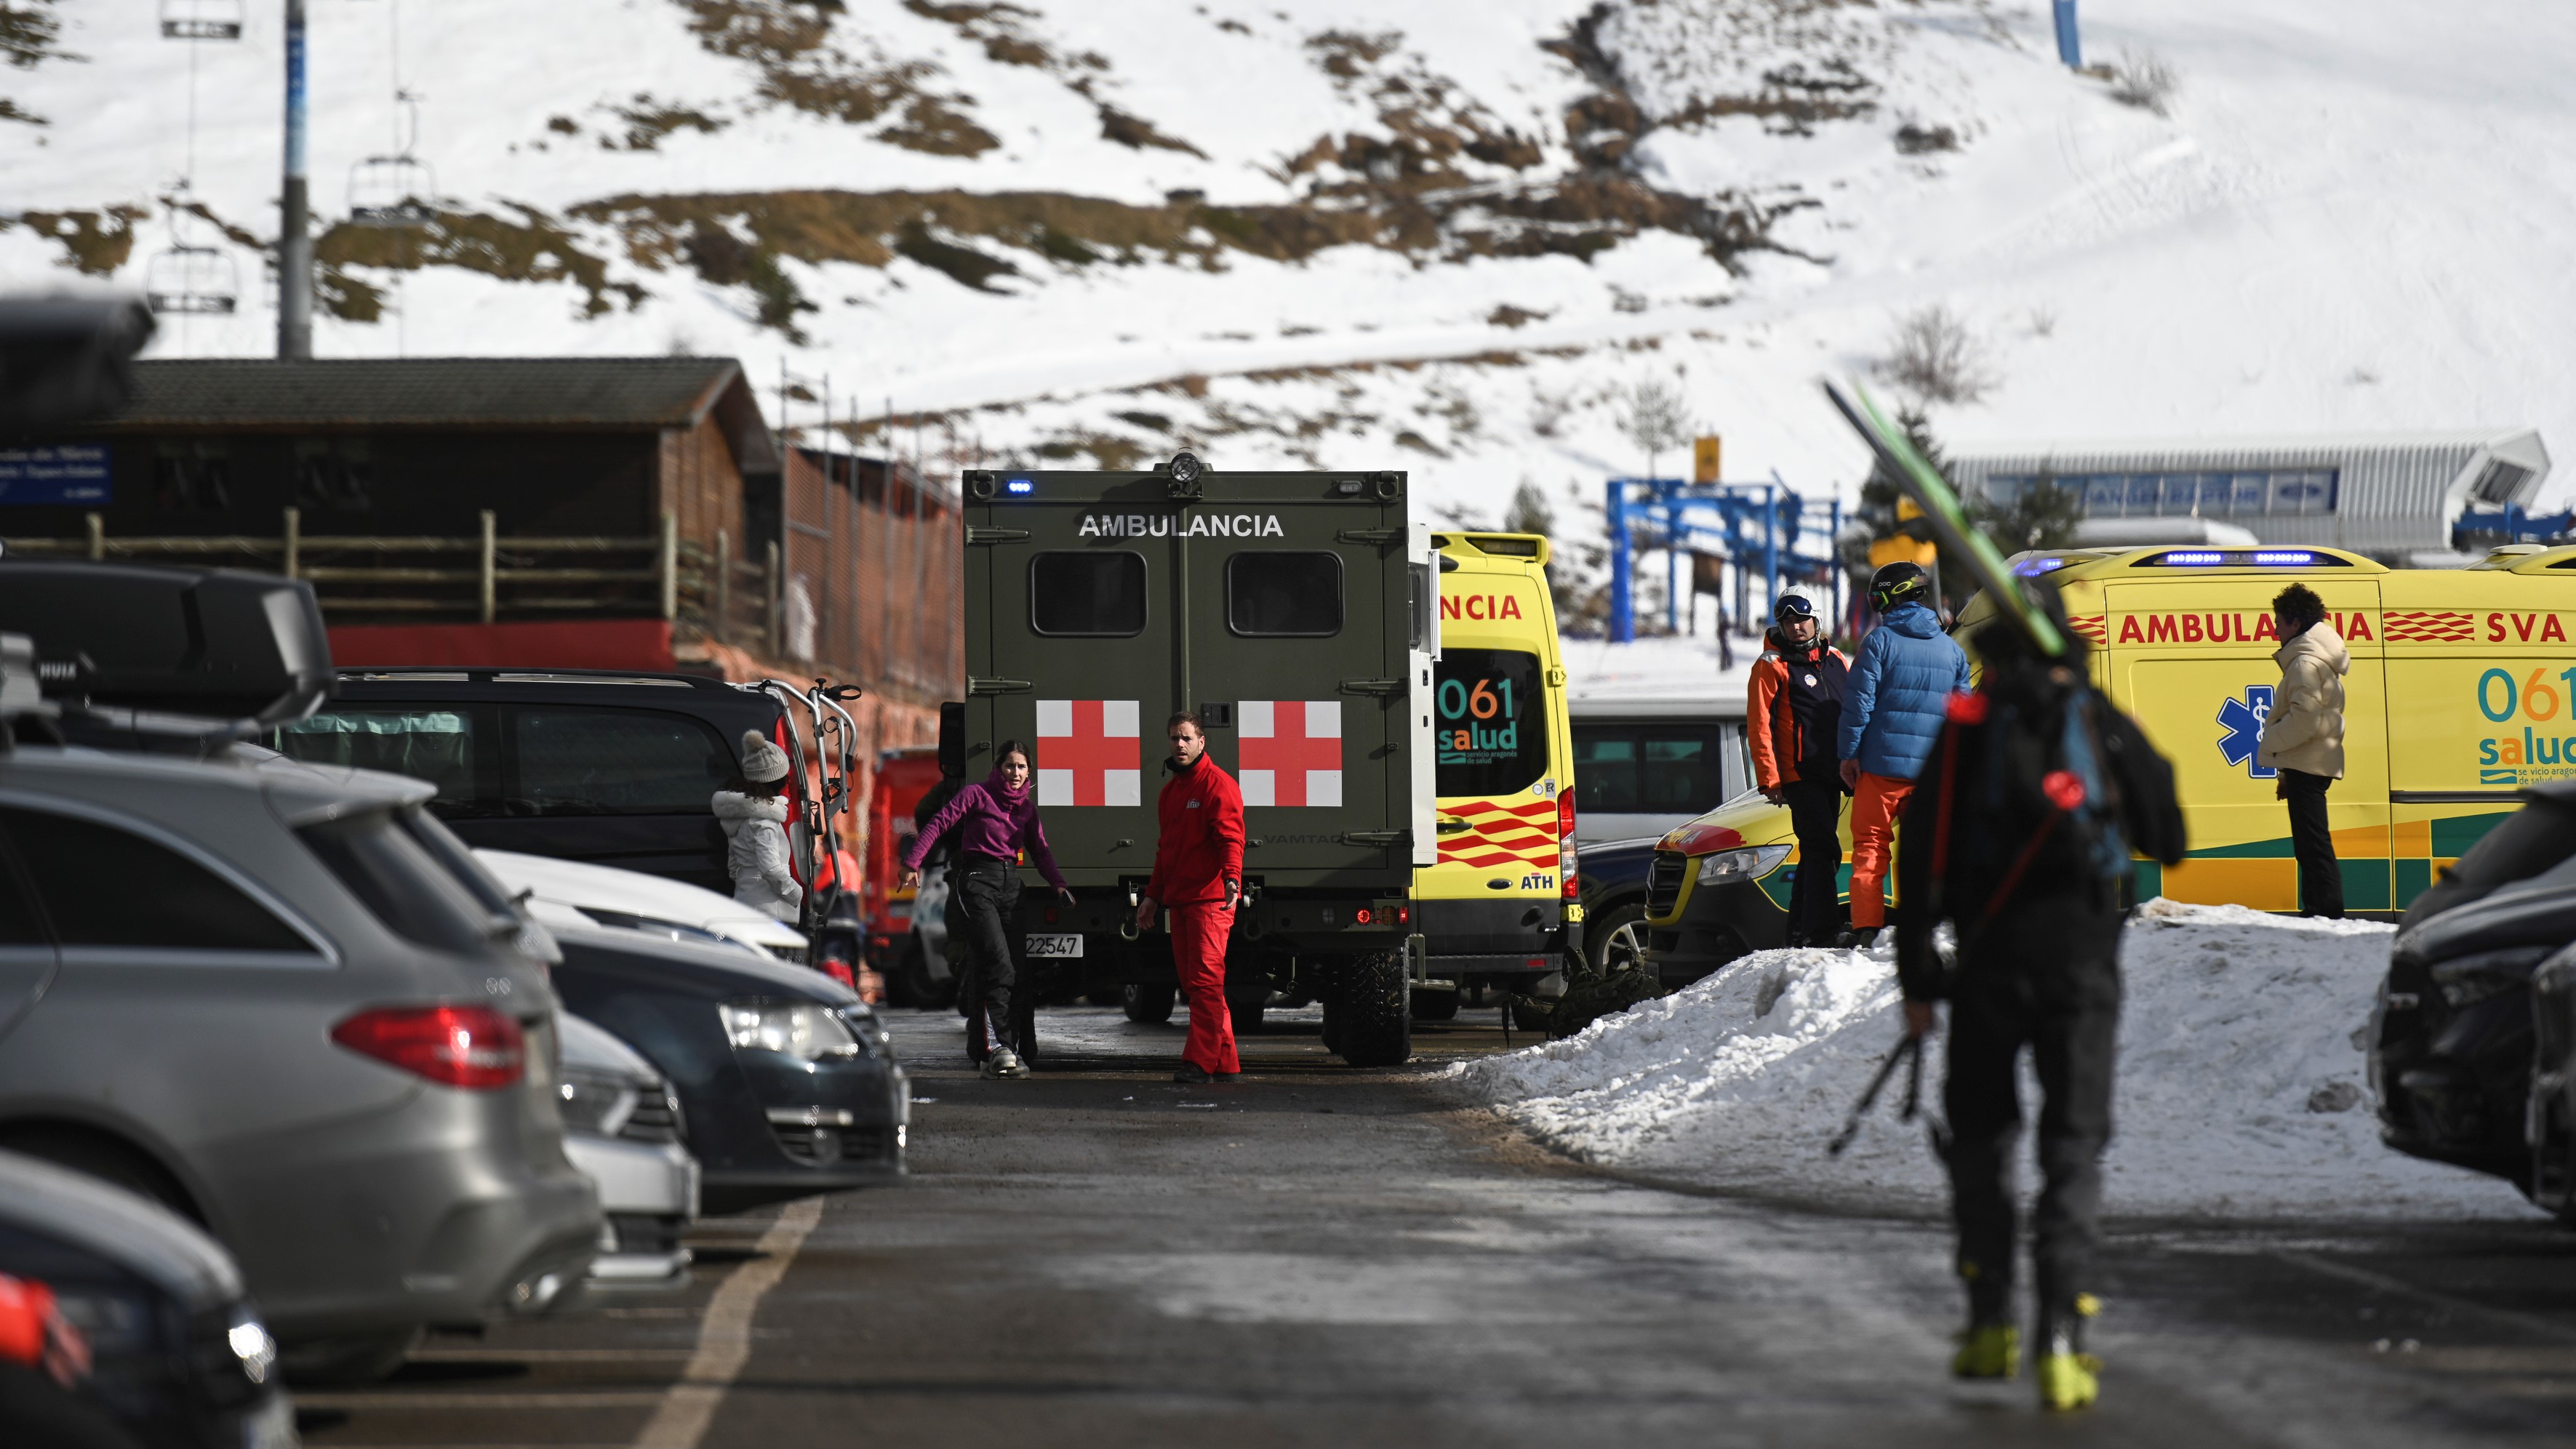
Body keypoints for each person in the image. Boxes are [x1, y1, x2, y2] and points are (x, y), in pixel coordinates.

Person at [1893, 591, 2183, 1414]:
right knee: (2070, 1147)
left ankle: (1988, 1326)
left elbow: (1921, 862)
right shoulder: (2093, 720)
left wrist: (1917, 984)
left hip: (1985, 968)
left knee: (1982, 1142)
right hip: (2082, 971)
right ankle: (2060, 1337)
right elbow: (2169, 836)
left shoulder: (1966, 727)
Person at [900, 741, 1073, 1079]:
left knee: (1019, 971)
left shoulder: (1026, 809)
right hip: (978, 881)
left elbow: (1040, 851)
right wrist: (912, 862)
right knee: (1000, 964)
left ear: (1029, 772)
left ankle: (1016, 1047)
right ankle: (1000, 1049)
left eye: (1022, 767)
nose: (1016, 773)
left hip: (1012, 885)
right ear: (998, 768)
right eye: (1010, 765)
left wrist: (1059, 885)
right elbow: (938, 822)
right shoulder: (976, 795)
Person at [1836, 561, 1972, 946]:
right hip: (1930, 773)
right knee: (1927, 851)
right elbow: (1964, 715)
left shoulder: (1879, 643)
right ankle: (1925, 925)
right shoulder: (1952, 650)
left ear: (1888, 597)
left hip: (1880, 769)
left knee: (1869, 848)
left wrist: (1848, 755)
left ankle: (1866, 929)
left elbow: (1858, 705)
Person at [1132, 711, 1246, 1085]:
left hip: (1210, 902)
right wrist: (1152, 898)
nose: (1178, 744)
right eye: (1172, 738)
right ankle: (1226, 1063)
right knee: (1198, 983)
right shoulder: (1171, 793)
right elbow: (1166, 851)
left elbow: (1231, 838)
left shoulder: (1218, 786)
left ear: (1201, 742)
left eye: (1185, 738)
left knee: (1204, 982)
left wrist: (1232, 879)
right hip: (1181, 903)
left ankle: (1198, 1062)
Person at [1747, 589, 1852, 946]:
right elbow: (1758, 724)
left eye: (1802, 619)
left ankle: (1799, 931)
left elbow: (1853, 711)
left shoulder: (1836, 658)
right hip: (1799, 774)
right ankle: (1822, 932)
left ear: (1816, 621)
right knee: (1824, 847)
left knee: (1814, 851)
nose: (1796, 627)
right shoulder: (1771, 665)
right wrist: (1770, 778)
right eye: (1788, 621)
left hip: (1833, 771)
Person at [2259, 582, 2347, 919]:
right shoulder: (2316, 660)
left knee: (2312, 847)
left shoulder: (2304, 664)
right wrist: (2285, 769)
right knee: (2312, 845)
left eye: (2279, 621)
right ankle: (2321, 910)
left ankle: (2324, 912)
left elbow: (2306, 719)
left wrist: (2271, 743)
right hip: (2310, 764)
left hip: (2308, 766)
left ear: (2296, 624)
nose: (2275, 629)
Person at [713, 729, 803, 924]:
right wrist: (797, 893)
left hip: (744, 902)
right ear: (775, 778)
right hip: (770, 910)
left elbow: (733, 868)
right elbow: (771, 868)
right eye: (785, 775)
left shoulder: (739, 816)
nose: (788, 780)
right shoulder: (766, 822)